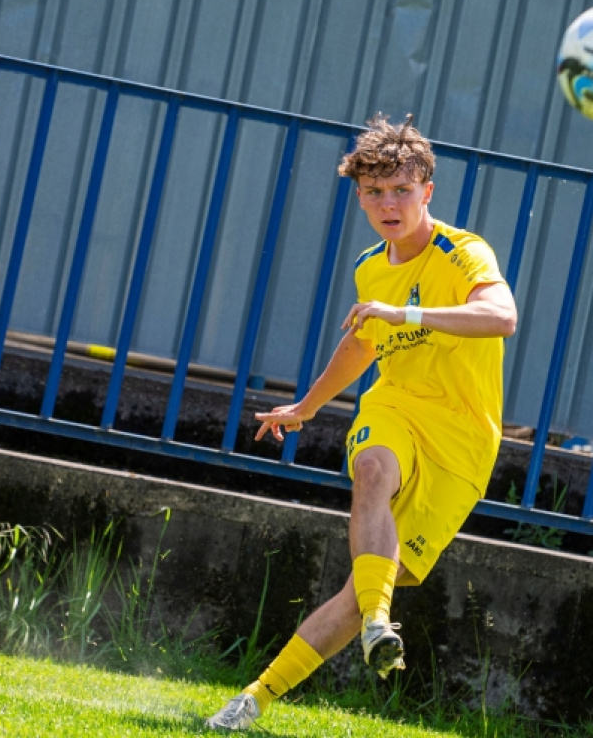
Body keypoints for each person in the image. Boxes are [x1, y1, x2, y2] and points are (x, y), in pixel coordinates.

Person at [206, 114, 517, 730]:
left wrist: (405, 314)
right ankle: (381, 622)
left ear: (427, 191)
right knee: (372, 467)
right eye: (374, 193)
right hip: (395, 405)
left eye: (401, 190)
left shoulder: (464, 251)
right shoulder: (370, 266)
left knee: (356, 593)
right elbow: (361, 346)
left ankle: (256, 697)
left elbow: (501, 316)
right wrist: (308, 405)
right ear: (359, 199)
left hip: (463, 439)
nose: (388, 204)